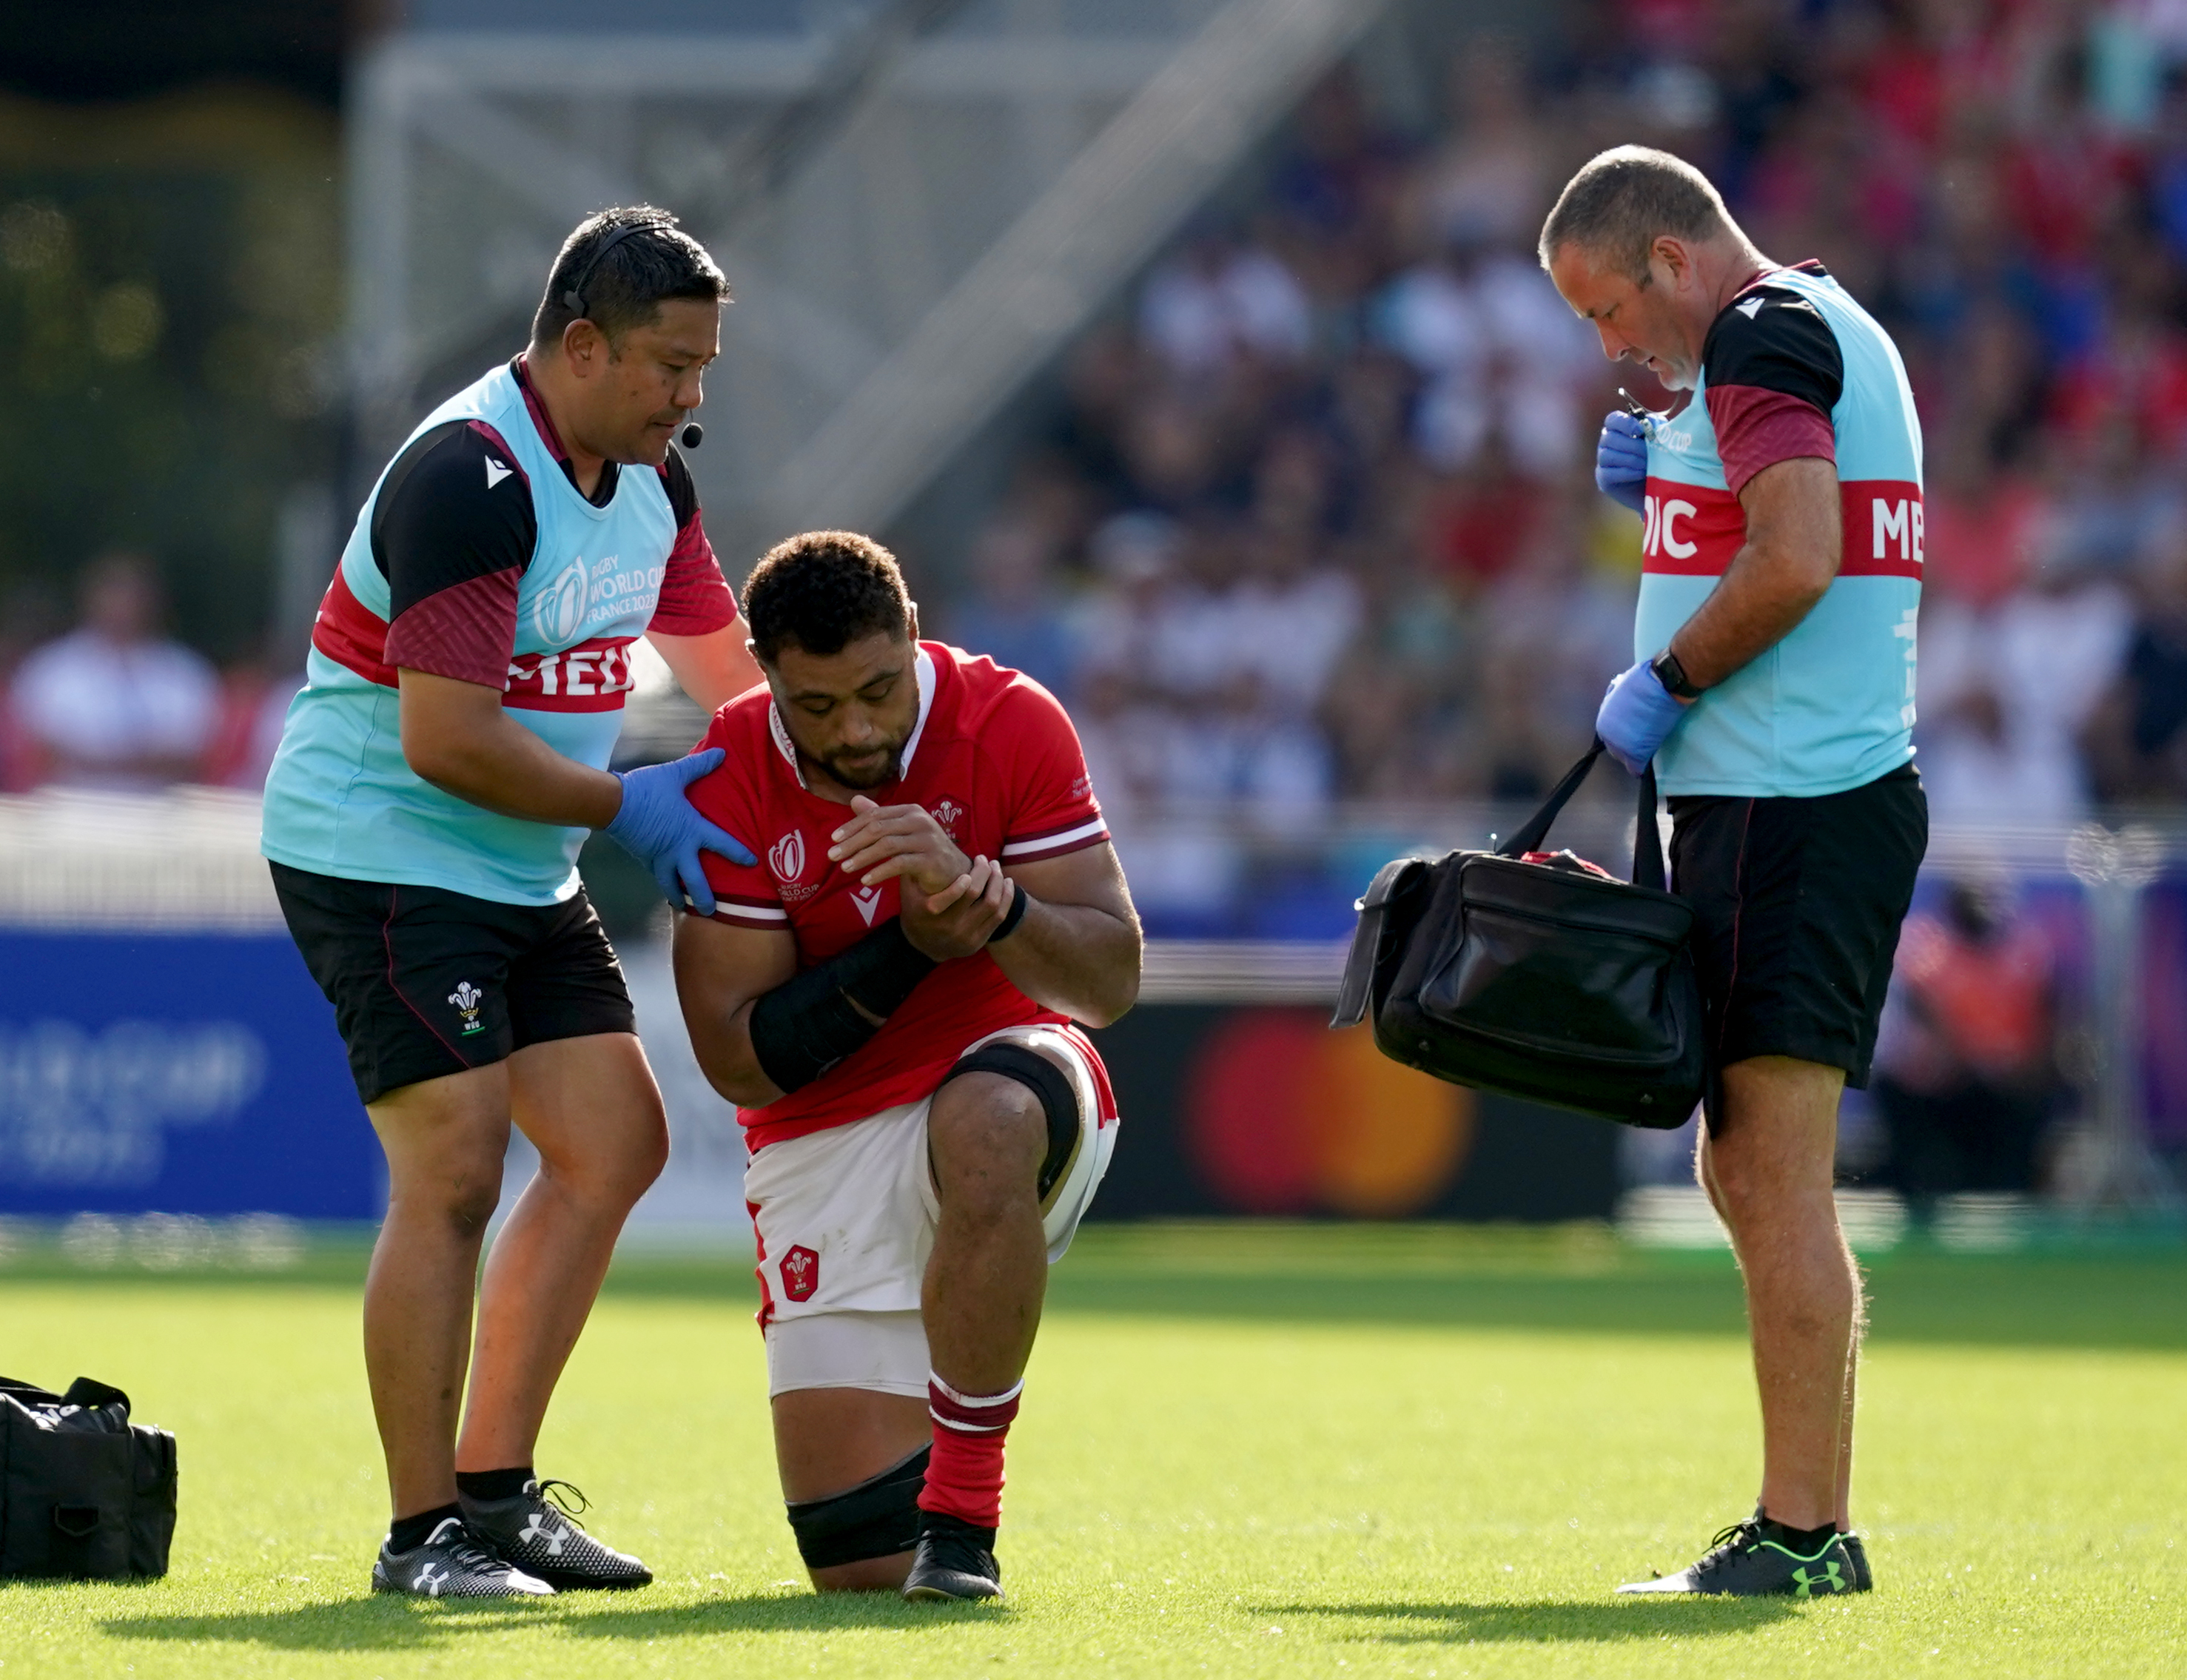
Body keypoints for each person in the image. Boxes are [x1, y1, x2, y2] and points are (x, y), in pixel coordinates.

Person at [259, 206, 763, 1598]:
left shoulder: (656, 479)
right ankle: (420, 1535)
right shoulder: (469, 475)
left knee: (614, 1145)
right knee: (457, 1168)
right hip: (379, 849)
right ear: (582, 346)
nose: (690, 397)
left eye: (703, 368)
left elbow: (730, 682)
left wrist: (849, 782)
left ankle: (494, 1498)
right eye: (670, 365)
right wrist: (631, 806)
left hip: (516, 863)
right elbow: (447, 740)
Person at [1543, 147, 1929, 1597]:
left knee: (1769, 1172)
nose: (1610, 345)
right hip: (1796, 797)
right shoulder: (1816, 326)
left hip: (1787, 798)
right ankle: (1804, 1523)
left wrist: (1666, 678)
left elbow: (1797, 555)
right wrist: (1677, 460)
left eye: (1607, 307)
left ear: (1670, 257)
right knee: (1751, 1167)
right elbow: (1808, 509)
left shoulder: (1762, 333)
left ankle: (1804, 1534)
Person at [671, 531, 1140, 1602]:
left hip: (1011, 1076)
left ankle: (966, 1520)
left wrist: (992, 905)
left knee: (987, 1122)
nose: (857, 728)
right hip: (824, 1130)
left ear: (914, 636)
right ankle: (929, 1487)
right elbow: (740, 1064)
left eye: (879, 690)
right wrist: (911, 946)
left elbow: (1110, 979)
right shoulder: (730, 766)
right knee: (860, 1568)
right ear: (766, 674)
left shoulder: (1009, 718)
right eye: (817, 705)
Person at [9, 552, 220, 790]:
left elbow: (192, 757)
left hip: (158, 808)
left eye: (134, 594)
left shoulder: (185, 673)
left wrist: (95, 762)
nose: (123, 604)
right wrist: (138, 763)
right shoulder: (50, 669)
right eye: (113, 592)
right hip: (68, 807)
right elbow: (37, 751)